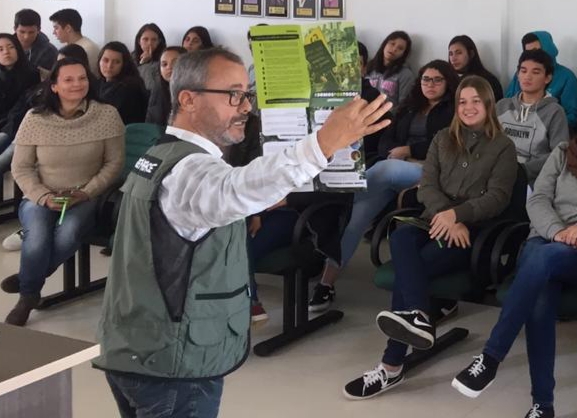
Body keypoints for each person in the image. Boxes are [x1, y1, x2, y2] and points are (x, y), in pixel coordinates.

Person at [95, 49, 392, 415]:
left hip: (137, 348)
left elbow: (207, 206)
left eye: (247, 94)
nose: (245, 106)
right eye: (233, 94)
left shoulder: (161, 154)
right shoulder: (188, 171)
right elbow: (231, 189)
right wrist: (324, 142)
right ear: (188, 99)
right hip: (174, 365)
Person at [450, 101, 577, 417]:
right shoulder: (562, 155)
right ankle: (543, 405)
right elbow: (538, 198)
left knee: (540, 260)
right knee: (541, 299)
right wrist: (557, 230)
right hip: (545, 237)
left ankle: (490, 358)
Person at [343, 76, 517, 400]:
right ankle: (421, 317)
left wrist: (458, 216)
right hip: (432, 221)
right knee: (401, 236)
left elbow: (498, 197)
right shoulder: (442, 139)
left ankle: (391, 365)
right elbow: (427, 187)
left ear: (488, 105)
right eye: (463, 101)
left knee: (413, 268)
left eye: (475, 101)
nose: (468, 108)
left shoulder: (503, 147)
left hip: (470, 233)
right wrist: (444, 215)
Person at [307, 61, 460, 315]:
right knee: (356, 219)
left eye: (437, 80)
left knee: (380, 173)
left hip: (431, 173)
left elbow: (445, 145)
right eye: (425, 79)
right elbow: (385, 137)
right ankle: (326, 282)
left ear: (448, 83)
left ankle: (342, 195)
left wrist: (408, 151)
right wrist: (394, 153)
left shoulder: (454, 110)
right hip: (394, 172)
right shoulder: (409, 107)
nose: (430, 85)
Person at [4, 57, 125, 325]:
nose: (77, 84)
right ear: (54, 86)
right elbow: (20, 167)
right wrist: (43, 196)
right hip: (41, 196)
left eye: (82, 78)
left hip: (85, 196)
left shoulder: (106, 115)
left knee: (68, 235)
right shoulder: (35, 119)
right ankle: (28, 296)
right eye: (68, 79)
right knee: (37, 238)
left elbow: (114, 163)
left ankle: (29, 284)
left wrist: (86, 192)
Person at [496, 49, 569, 181]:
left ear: (547, 78)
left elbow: (559, 154)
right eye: (523, 71)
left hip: (533, 180)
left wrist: (521, 171)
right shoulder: (501, 106)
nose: (527, 77)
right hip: (497, 174)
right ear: (517, 74)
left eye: (535, 72)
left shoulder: (555, 112)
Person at [502, 31, 577, 130]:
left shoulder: (566, 77)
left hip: (552, 131)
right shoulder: (520, 74)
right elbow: (508, 103)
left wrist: (544, 126)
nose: (533, 57)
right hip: (516, 130)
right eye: (528, 52)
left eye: (537, 51)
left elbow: (574, 115)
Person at [0, 33, 42, 176]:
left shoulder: (31, 73)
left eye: (10, 47)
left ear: (18, 49)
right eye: (0, 49)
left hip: (21, 129)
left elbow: (23, 108)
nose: (6, 52)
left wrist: (5, 131)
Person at [96, 41, 150, 126]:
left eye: (116, 62)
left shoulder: (129, 87)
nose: (109, 66)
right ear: (99, 61)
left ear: (124, 64)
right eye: (105, 60)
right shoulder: (99, 83)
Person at [365, 30, 416, 111]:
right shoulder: (369, 67)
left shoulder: (406, 74)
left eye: (400, 48)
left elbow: (403, 104)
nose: (394, 49)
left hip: (388, 119)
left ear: (404, 54)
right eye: (392, 44)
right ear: (385, 44)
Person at [447, 35, 503, 101]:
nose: (453, 58)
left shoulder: (487, 80)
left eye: (459, 53)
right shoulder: (449, 79)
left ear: (471, 54)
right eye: (451, 54)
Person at [144, 46, 183, 127]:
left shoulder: (196, 92)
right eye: (164, 64)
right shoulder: (158, 89)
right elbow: (149, 122)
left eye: (175, 63)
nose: (169, 67)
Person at [14, 9, 56, 74]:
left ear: (39, 30)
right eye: (22, 32)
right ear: (15, 29)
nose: (26, 37)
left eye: (31, 32)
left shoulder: (50, 51)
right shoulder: (4, 46)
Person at [132, 23, 166, 91]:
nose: (149, 43)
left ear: (159, 41)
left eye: (154, 40)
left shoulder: (164, 60)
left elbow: (150, 86)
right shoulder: (130, 57)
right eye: (145, 39)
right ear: (139, 41)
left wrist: (145, 64)